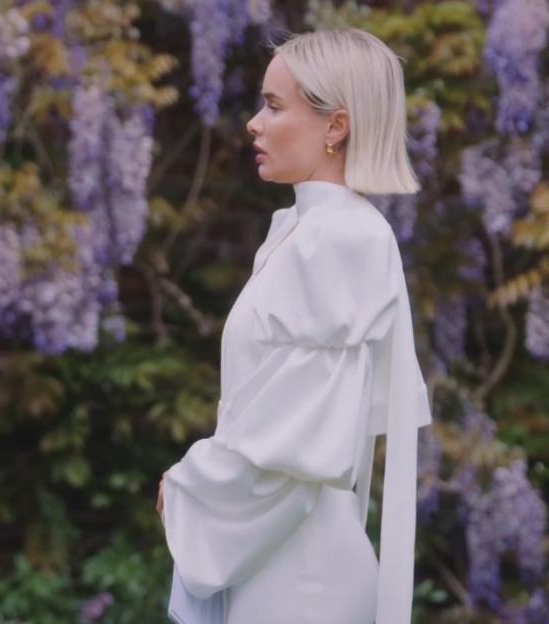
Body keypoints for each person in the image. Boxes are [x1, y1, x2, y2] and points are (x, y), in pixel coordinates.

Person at [155, 29, 432, 624]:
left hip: (305, 579)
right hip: (279, 558)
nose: (254, 124)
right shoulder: (299, 230)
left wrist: (192, 482)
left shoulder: (340, 237)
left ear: (336, 126)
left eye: (274, 106)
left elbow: (301, 439)